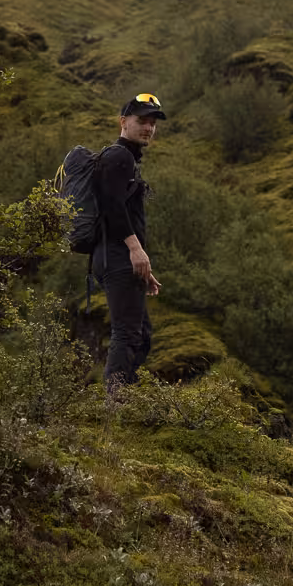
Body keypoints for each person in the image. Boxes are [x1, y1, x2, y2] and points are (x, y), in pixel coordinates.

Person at [94, 93, 164, 394]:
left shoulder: (128, 159)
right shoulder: (118, 156)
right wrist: (135, 250)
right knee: (127, 334)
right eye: (141, 121)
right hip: (116, 254)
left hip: (119, 256)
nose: (148, 127)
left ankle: (126, 399)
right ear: (124, 122)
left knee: (141, 334)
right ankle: (116, 408)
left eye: (152, 123)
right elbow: (110, 205)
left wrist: (143, 265)